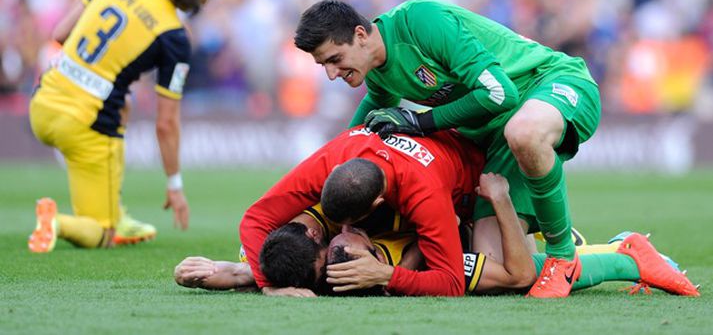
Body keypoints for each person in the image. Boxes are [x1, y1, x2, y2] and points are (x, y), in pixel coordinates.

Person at [295, 0, 601, 297]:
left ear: (360, 35)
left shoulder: (421, 22)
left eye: (334, 59)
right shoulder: (377, 70)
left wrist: (422, 122)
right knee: (497, 270)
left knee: (524, 132)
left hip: (552, 82)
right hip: (498, 139)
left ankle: (562, 253)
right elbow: (368, 118)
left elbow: (500, 94)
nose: (331, 74)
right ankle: (621, 255)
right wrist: (333, 168)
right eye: (324, 65)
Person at [175, 175, 699, 297]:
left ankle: (626, 254)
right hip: (458, 223)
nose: (336, 266)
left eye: (331, 258)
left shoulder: (347, 207)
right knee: (514, 279)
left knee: (518, 277)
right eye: (326, 278)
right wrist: (245, 274)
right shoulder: (317, 243)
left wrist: (389, 274)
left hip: (481, 190)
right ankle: (621, 250)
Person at [27, 0, 226, 252]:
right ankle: (58, 222)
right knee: (102, 234)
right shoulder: (174, 37)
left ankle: (116, 211)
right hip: (84, 126)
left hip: (42, 103)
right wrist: (175, 185)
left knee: (123, 105)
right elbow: (166, 124)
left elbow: (62, 33)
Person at [239, 126, 485, 296]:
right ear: (332, 173)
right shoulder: (330, 158)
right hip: (425, 166)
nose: (342, 231)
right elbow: (254, 220)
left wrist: (386, 275)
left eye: (351, 222)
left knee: (508, 273)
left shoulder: (426, 195)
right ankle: (243, 271)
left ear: (377, 204)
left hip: (481, 183)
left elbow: (452, 284)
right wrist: (267, 285)